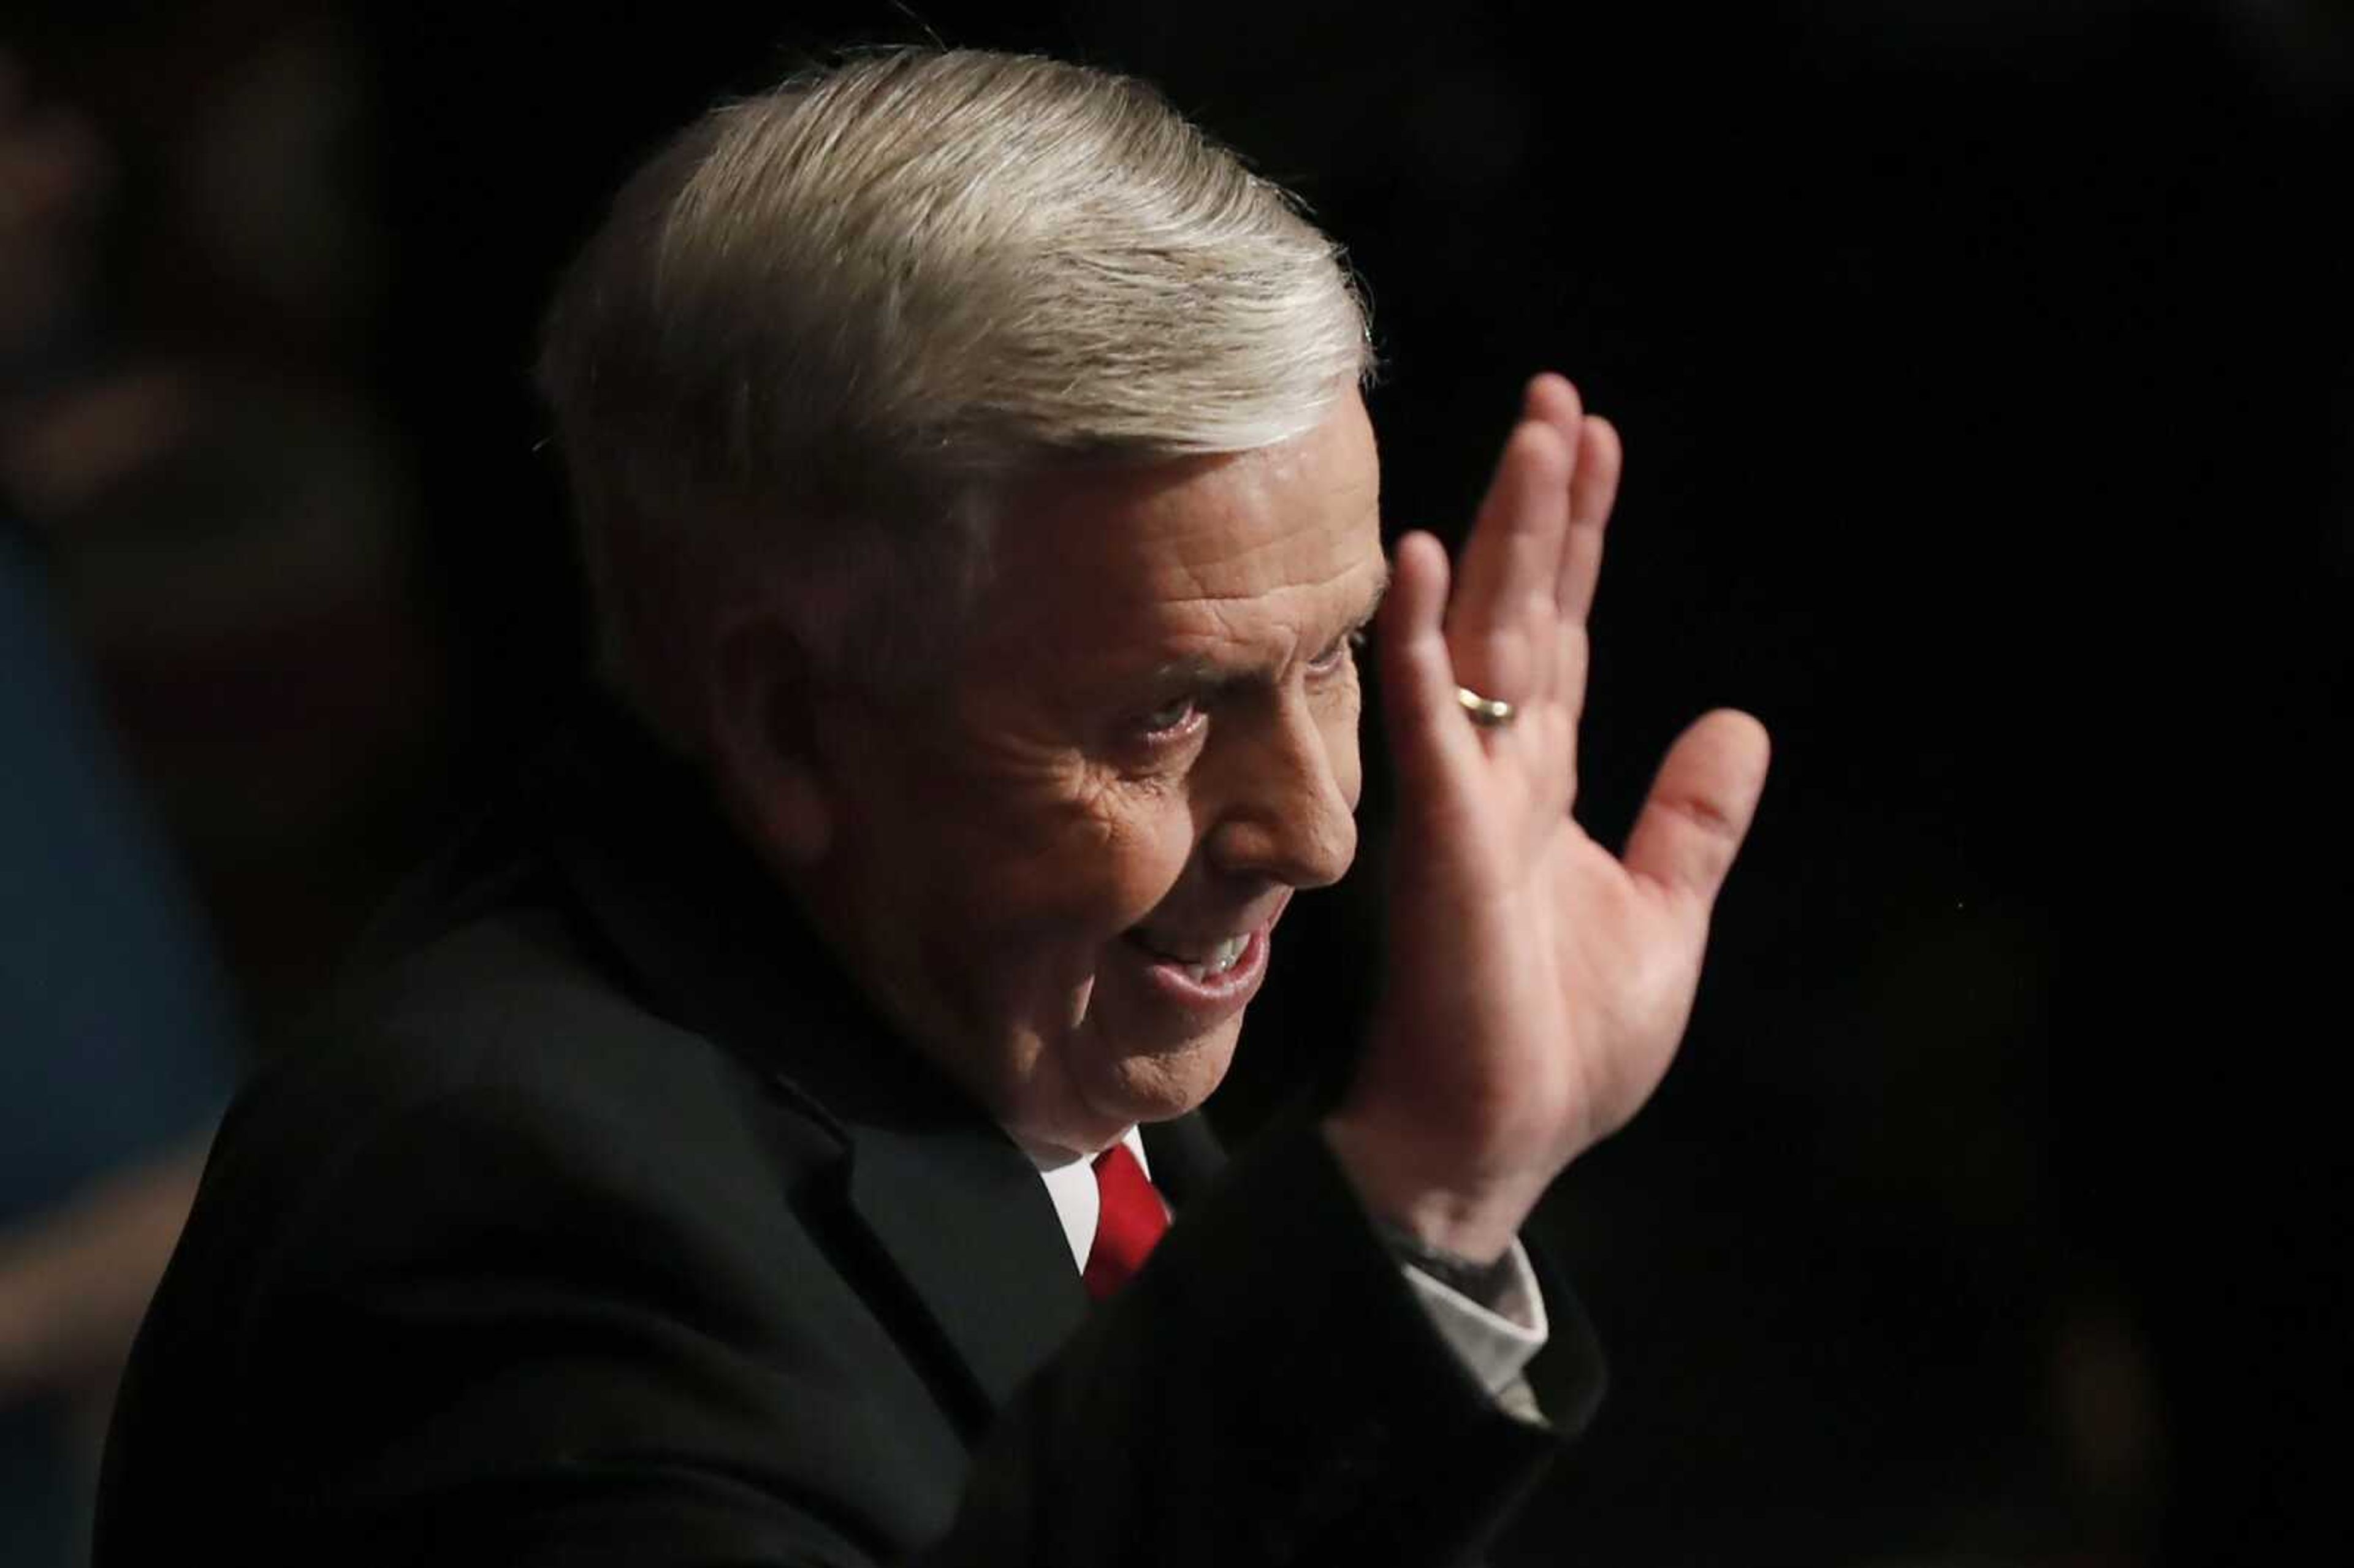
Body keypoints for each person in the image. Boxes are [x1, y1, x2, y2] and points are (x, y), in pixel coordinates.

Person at [94, 48, 1769, 1566]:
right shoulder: (496, 1223)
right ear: (794, 723)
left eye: (1332, 662)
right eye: (1170, 711)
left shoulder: (1006, 1001)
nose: (1322, 834)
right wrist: (1423, 1191)